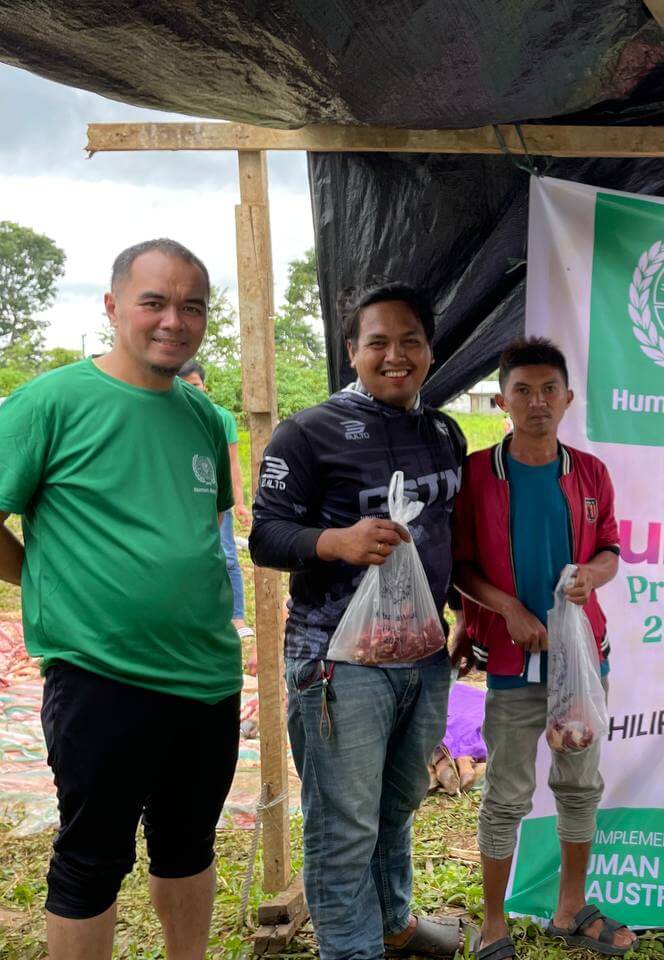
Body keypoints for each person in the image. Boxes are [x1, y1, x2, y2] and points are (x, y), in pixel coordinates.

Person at [0, 239, 241, 960]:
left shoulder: (204, 418)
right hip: (101, 675)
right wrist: (39, 575)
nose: (174, 320)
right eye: (154, 302)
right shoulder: (50, 403)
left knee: (189, 844)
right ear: (112, 306)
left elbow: (200, 531)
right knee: (93, 857)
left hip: (207, 675)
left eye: (192, 307)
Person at [249, 281, 467, 960]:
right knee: (344, 826)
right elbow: (265, 536)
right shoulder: (307, 433)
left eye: (410, 341)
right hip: (337, 662)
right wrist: (335, 541)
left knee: (398, 802)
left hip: (423, 654)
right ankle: (352, 949)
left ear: (429, 351)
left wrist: (466, 615)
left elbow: (447, 535)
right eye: (378, 342)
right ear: (352, 351)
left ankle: (393, 924)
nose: (394, 355)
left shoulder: (443, 432)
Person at [451, 336, 633, 960]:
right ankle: (493, 923)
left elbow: (610, 549)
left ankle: (569, 908)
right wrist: (507, 609)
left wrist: (590, 577)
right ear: (501, 400)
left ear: (568, 398)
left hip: (581, 662)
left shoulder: (590, 472)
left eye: (548, 390)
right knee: (505, 793)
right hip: (510, 663)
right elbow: (460, 566)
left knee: (579, 785)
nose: (537, 402)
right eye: (523, 391)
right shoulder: (478, 474)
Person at [178, 359, 254, 639]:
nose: (191, 391)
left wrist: (239, 502)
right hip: (183, 501)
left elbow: (232, 463)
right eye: (184, 386)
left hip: (214, 496)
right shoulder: (170, 416)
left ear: (204, 386)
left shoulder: (221, 417)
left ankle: (236, 617)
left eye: (195, 385)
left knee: (228, 556)